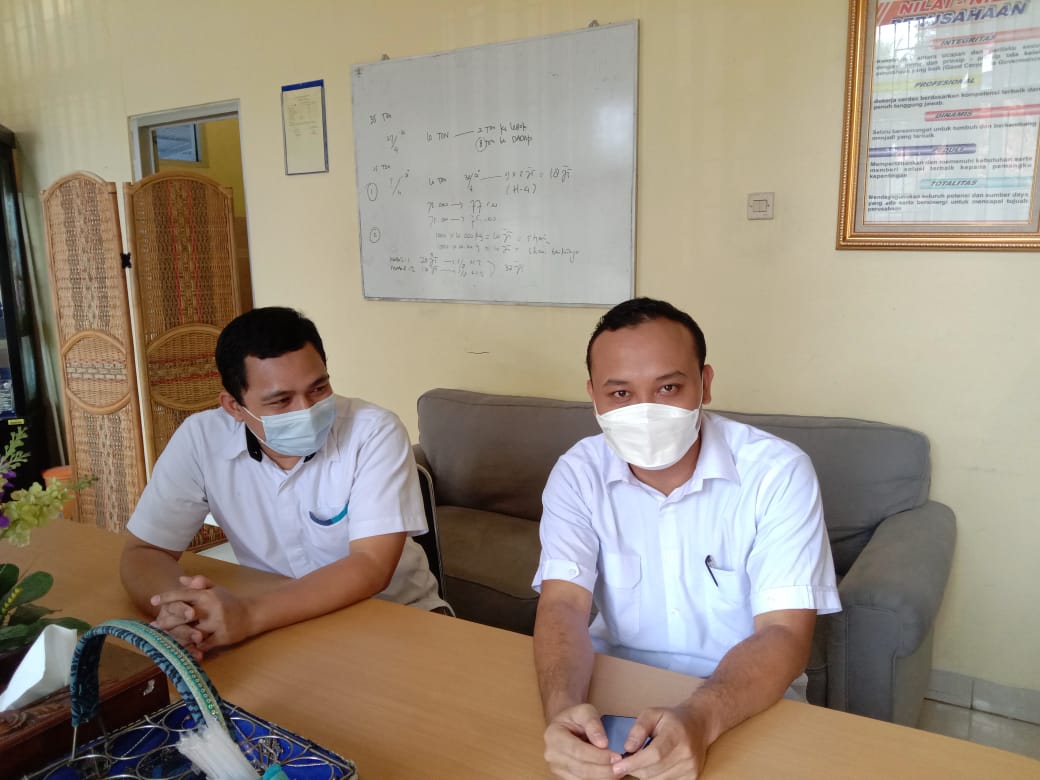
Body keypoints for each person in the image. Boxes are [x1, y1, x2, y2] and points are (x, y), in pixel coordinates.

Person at [532, 297, 840, 779]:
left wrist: (700, 717)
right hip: (616, 685)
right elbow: (563, 605)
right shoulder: (577, 474)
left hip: (745, 697)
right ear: (593, 396)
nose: (645, 412)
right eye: (620, 393)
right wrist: (562, 711)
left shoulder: (777, 473)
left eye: (668, 387)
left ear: (705, 384)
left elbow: (784, 632)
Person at [120, 307, 448, 660]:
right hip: (282, 621)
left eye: (318, 388)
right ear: (233, 406)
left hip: (394, 615)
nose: (306, 409)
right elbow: (145, 552)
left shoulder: (373, 431)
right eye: (281, 400)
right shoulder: (201, 439)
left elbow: (370, 564)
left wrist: (248, 615)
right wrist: (183, 612)